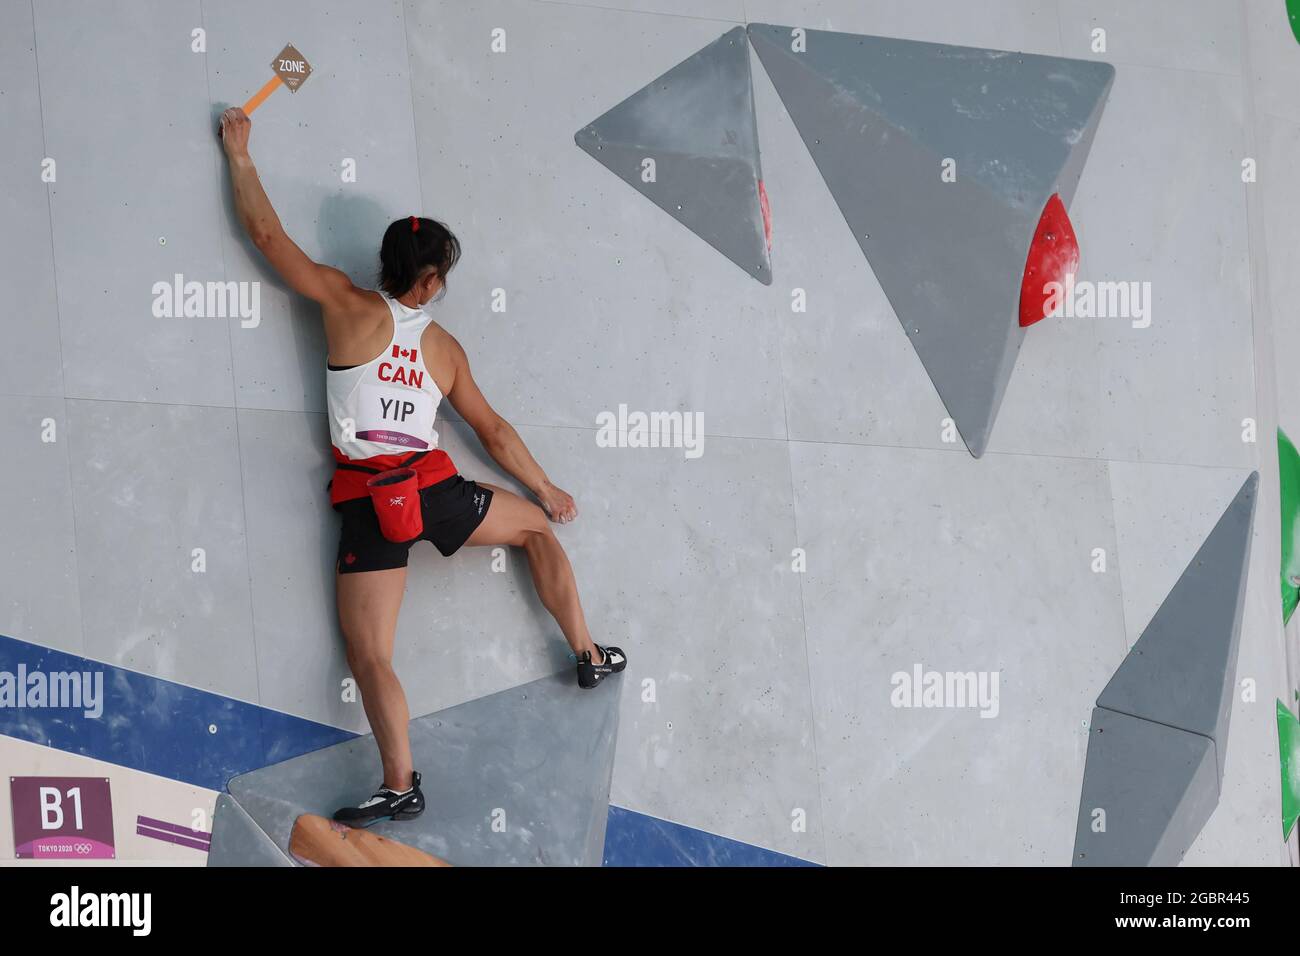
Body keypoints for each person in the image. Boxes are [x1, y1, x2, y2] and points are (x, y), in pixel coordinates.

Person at [218, 107, 625, 827]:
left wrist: (241, 156)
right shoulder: (443, 347)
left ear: (386, 266)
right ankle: (588, 653)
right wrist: (546, 491)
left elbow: (266, 238)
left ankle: (400, 782)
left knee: (370, 653)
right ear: (431, 280)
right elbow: (492, 430)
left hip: (371, 505)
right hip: (438, 493)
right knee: (535, 532)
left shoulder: (343, 303)